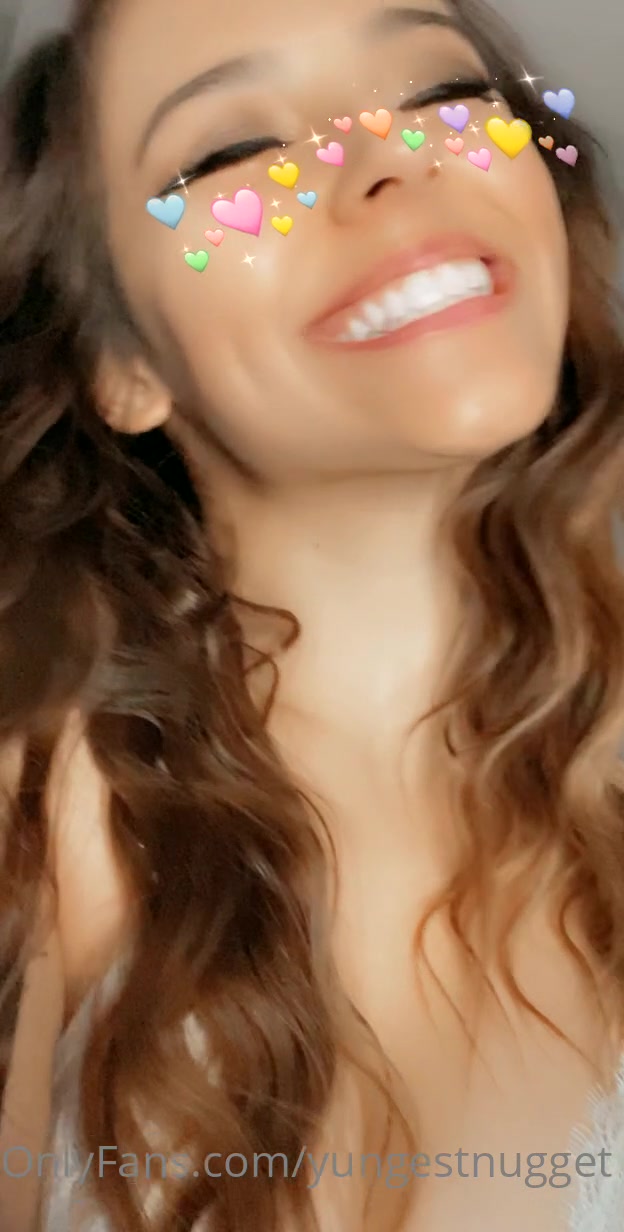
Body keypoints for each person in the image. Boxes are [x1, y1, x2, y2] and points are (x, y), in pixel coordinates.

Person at [0, 0, 623, 1228]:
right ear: (122, 363)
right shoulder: (35, 812)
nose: (389, 160)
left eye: (443, 93)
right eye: (231, 151)